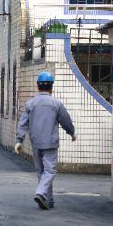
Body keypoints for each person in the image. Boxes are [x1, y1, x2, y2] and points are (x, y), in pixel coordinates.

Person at [15, 72, 76, 210]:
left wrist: (19, 140)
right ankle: (40, 192)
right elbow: (66, 121)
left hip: (36, 142)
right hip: (50, 142)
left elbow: (23, 123)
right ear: (51, 87)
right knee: (50, 171)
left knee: (41, 172)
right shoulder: (56, 103)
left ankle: (48, 201)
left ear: (38, 86)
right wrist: (72, 133)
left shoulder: (30, 103)